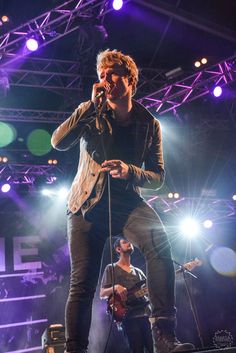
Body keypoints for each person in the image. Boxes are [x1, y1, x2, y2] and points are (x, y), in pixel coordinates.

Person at [51, 49, 195, 353]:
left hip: (127, 203)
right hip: (87, 205)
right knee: (82, 283)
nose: (107, 78)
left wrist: (129, 171)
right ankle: (74, 348)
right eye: (103, 73)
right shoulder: (91, 112)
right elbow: (58, 142)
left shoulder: (148, 123)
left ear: (130, 79)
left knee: (159, 243)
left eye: (114, 72)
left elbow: (158, 176)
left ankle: (164, 337)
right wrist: (90, 106)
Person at [100, 237, 153, 353]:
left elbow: (150, 293)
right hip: (128, 317)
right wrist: (115, 287)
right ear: (118, 249)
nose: (129, 243)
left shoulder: (139, 272)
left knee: (153, 349)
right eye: (125, 242)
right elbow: (102, 293)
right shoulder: (111, 268)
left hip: (146, 316)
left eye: (130, 241)